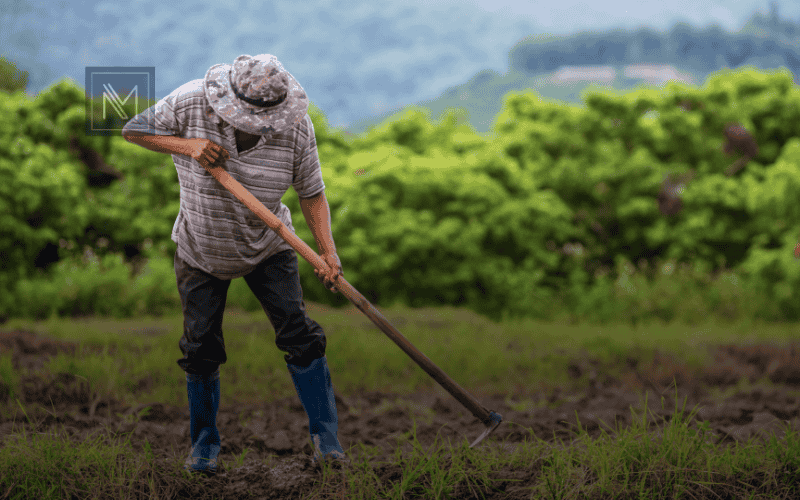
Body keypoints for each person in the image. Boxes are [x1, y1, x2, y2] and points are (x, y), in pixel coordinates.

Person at [121, 54, 347, 475]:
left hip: (269, 245)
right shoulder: (190, 102)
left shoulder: (297, 128)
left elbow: (312, 192)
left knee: (300, 335)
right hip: (200, 247)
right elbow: (133, 129)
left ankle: (327, 443)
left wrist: (327, 253)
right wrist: (188, 145)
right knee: (201, 347)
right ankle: (204, 447)